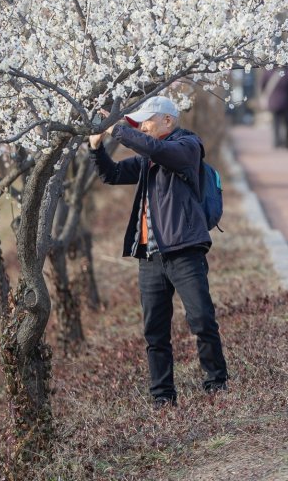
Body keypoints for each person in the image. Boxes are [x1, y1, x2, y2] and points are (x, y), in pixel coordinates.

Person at [89, 95, 229, 407]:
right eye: (139, 123)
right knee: (154, 330)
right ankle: (162, 396)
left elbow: (159, 150)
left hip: (184, 250)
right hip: (150, 257)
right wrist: (95, 147)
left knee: (202, 319)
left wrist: (118, 129)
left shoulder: (187, 146)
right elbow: (109, 175)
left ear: (168, 119)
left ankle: (216, 383)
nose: (142, 127)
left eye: (147, 120)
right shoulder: (146, 160)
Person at [259, 66, 288, 150]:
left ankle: (276, 142)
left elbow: (262, 85)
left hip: (274, 101)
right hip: (287, 101)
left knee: (276, 123)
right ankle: (287, 143)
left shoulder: (268, 71)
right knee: (287, 124)